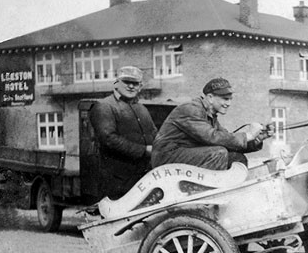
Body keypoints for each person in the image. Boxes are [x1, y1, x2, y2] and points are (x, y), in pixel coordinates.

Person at [151, 78, 271, 170]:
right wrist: (248, 135)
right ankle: (205, 194)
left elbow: (227, 140)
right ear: (210, 97)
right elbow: (212, 137)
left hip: (182, 154)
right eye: (225, 99)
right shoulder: (191, 109)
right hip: (166, 157)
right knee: (218, 153)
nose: (228, 103)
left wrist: (257, 139)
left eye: (230, 99)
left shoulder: (210, 114)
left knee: (236, 158)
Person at [89, 66, 157, 200]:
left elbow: (154, 134)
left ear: (140, 86)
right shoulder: (104, 106)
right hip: (117, 181)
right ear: (116, 83)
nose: (131, 86)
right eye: (126, 82)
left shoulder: (141, 108)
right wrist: (144, 151)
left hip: (144, 178)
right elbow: (109, 139)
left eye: (135, 83)